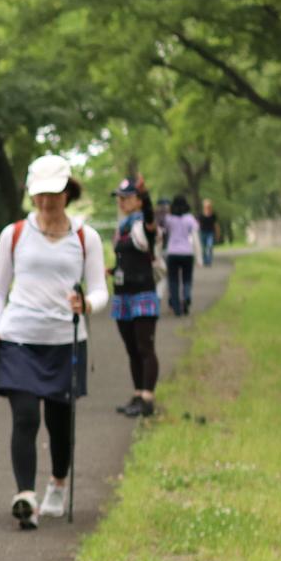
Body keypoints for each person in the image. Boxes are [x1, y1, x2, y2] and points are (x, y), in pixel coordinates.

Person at [0, 154, 107, 531]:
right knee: (25, 416)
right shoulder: (14, 234)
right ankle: (26, 498)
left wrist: (86, 304)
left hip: (65, 340)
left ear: (67, 193)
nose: (47, 202)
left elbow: (101, 291)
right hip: (18, 337)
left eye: (54, 194)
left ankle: (58, 483)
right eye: (40, 195)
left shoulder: (86, 237)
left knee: (59, 421)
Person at [109, 179, 161, 418]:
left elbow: (151, 220)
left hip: (143, 294)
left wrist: (146, 198)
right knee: (131, 348)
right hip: (123, 295)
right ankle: (138, 393)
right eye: (119, 198)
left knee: (145, 347)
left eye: (127, 197)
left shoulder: (145, 225)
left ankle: (148, 398)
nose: (122, 202)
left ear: (139, 201)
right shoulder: (121, 228)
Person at [161, 197, 199, 315]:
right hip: (187, 252)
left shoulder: (169, 219)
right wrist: (199, 257)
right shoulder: (190, 218)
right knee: (187, 278)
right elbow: (195, 235)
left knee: (173, 280)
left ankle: (176, 307)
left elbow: (163, 230)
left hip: (172, 252)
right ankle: (186, 297)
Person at [197, 197, 219, 266]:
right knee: (203, 248)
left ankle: (209, 261)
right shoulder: (200, 215)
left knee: (209, 246)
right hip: (202, 233)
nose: (208, 207)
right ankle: (205, 260)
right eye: (206, 206)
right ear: (204, 206)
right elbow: (198, 225)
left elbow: (216, 225)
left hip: (210, 233)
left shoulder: (213, 215)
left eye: (209, 206)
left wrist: (217, 234)